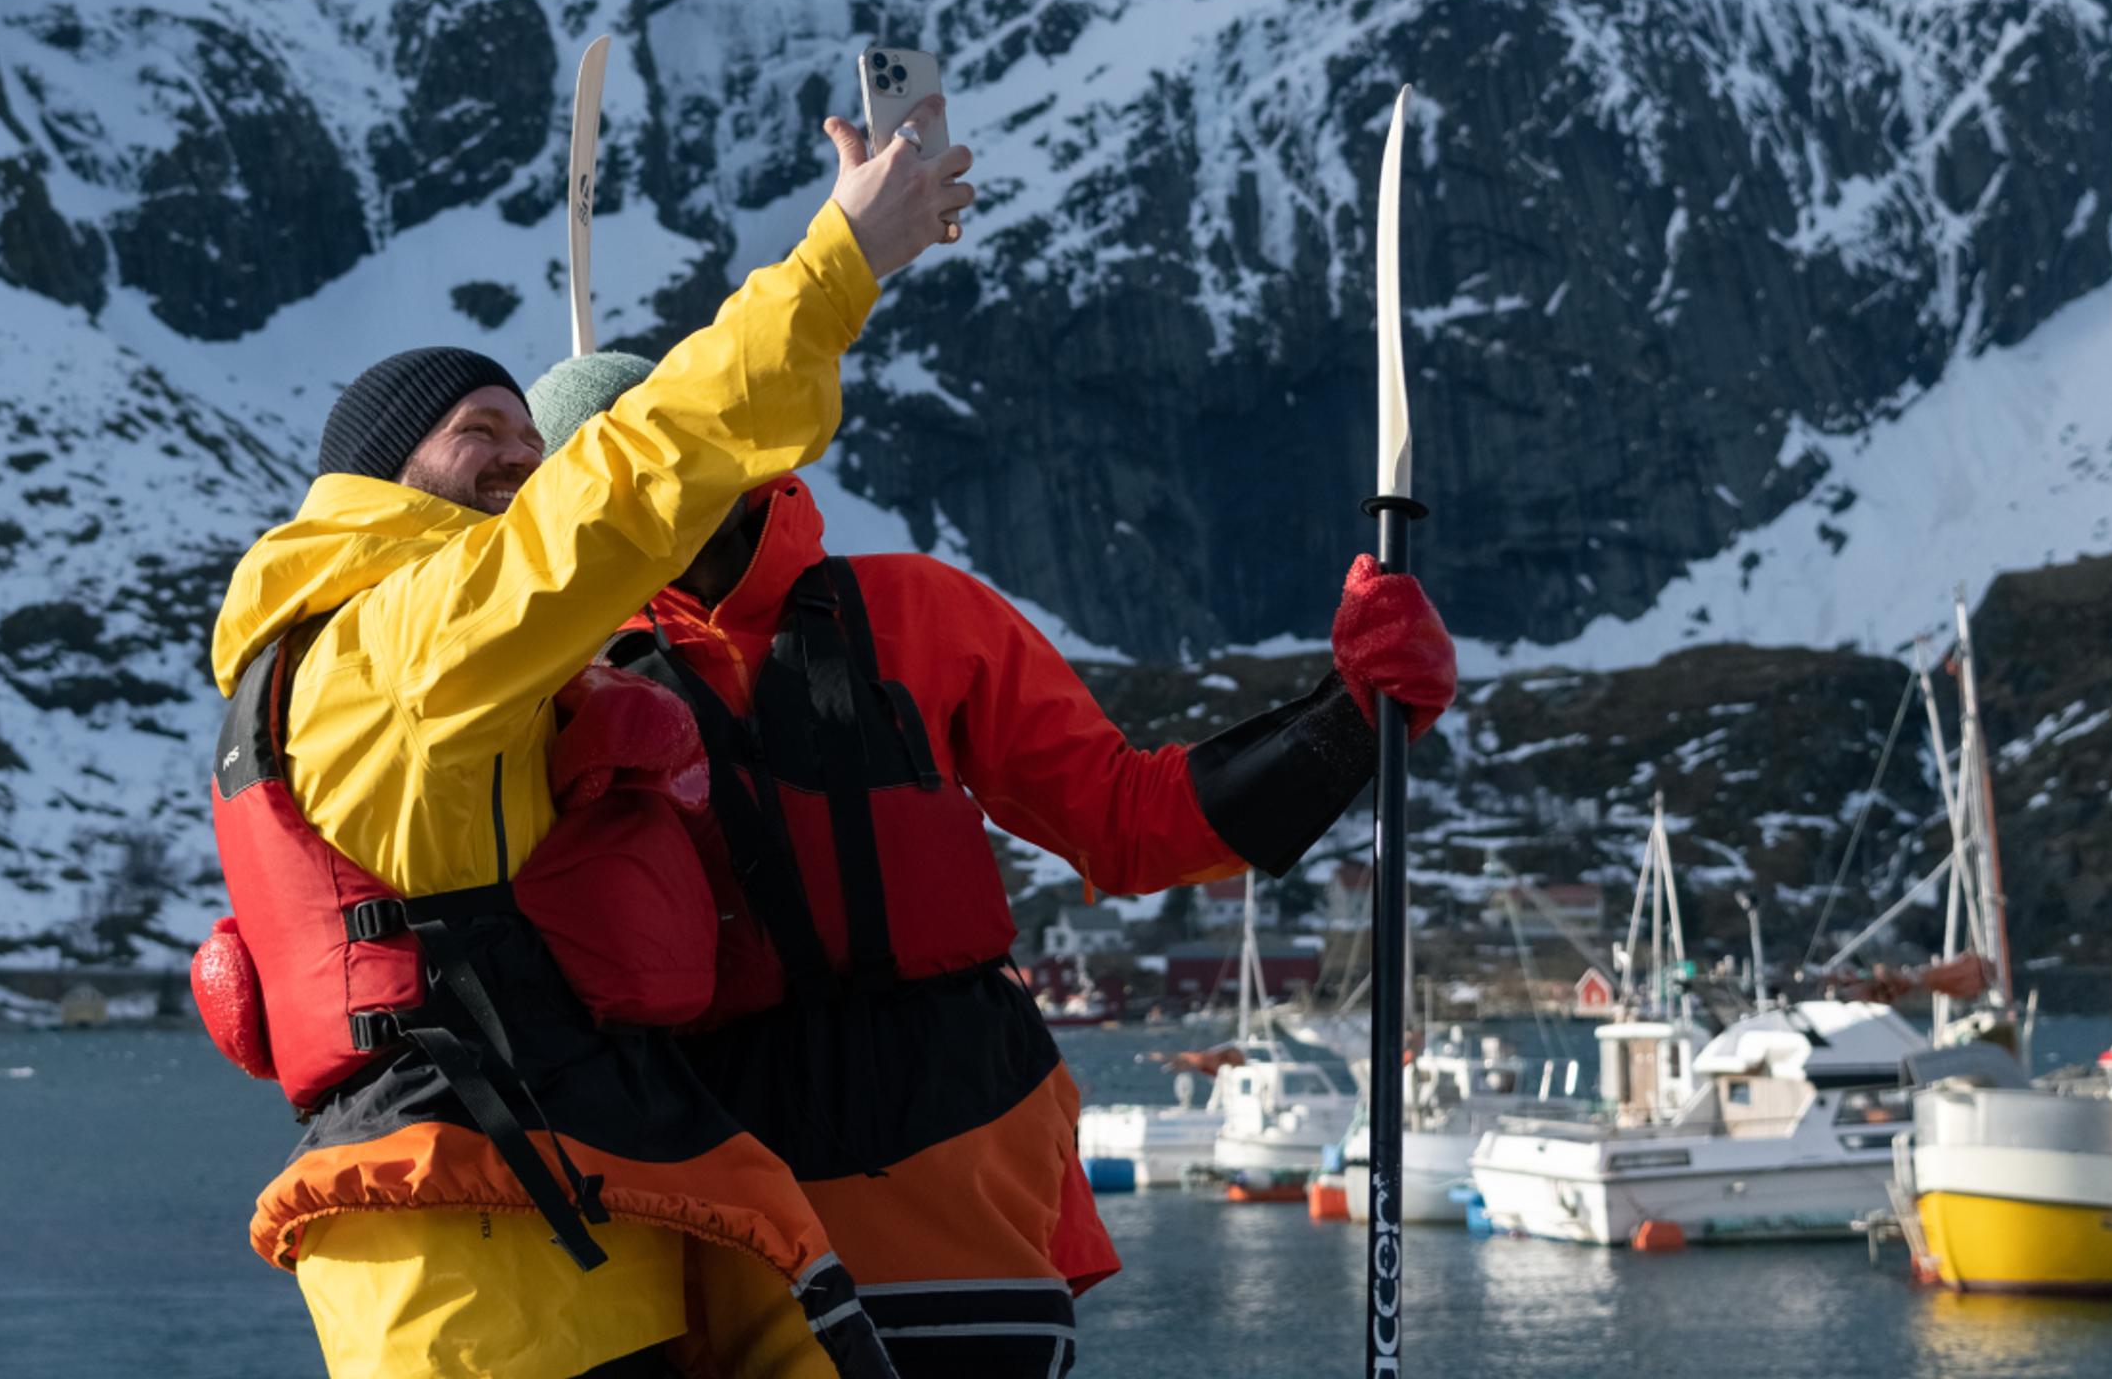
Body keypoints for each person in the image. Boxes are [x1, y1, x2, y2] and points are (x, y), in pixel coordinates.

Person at [191, 100, 974, 1379]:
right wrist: (842, 257)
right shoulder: (401, 635)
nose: (519, 459)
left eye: (530, 436)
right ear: (387, 480)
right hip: (486, 1245)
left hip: (528, 1201)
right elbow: (622, 492)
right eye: (479, 436)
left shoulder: (361, 649)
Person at [519, 350, 1457, 1375]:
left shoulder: (922, 613)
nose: (641, 487)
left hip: (959, 1150)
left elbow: (1126, 823)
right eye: (593, 477)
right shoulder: (550, 681)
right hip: (706, 1186)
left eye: (658, 447)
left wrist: (1353, 719)